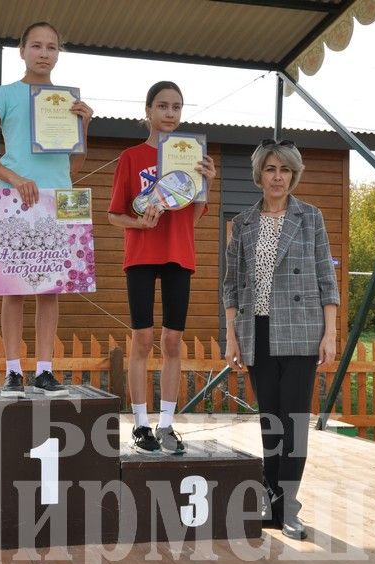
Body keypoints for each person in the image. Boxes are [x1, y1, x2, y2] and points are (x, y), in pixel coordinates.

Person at [222, 139, 339, 540]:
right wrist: (232, 338)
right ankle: (272, 505)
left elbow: (327, 278)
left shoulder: (311, 217)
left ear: (293, 175)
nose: (278, 177)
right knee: (271, 425)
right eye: (271, 169)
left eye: (285, 170)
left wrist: (331, 333)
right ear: (259, 175)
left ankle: (290, 507)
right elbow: (232, 286)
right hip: (258, 332)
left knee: (296, 425)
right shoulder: (243, 223)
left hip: (303, 332)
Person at [0, 21, 93, 398]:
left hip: (60, 200)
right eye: (37, 46)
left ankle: (44, 370)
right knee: (14, 288)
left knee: (50, 289)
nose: (44, 53)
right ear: (22, 51)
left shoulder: (67, 103)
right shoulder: (4, 95)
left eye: (51, 47)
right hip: (15, 199)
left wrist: (84, 126)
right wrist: (16, 177)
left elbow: (74, 167)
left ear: (59, 53)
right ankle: (12, 372)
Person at [107, 81, 216, 454]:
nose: (170, 113)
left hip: (178, 253)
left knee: (172, 341)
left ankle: (167, 424)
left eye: (177, 107)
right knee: (142, 339)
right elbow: (114, 215)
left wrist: (207, 183)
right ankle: (140, 426)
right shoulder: (131, 157)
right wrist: (139, 225)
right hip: (140, 254)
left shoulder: (191, 156)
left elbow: (195, 215)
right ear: (148, 111)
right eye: (163, 106)